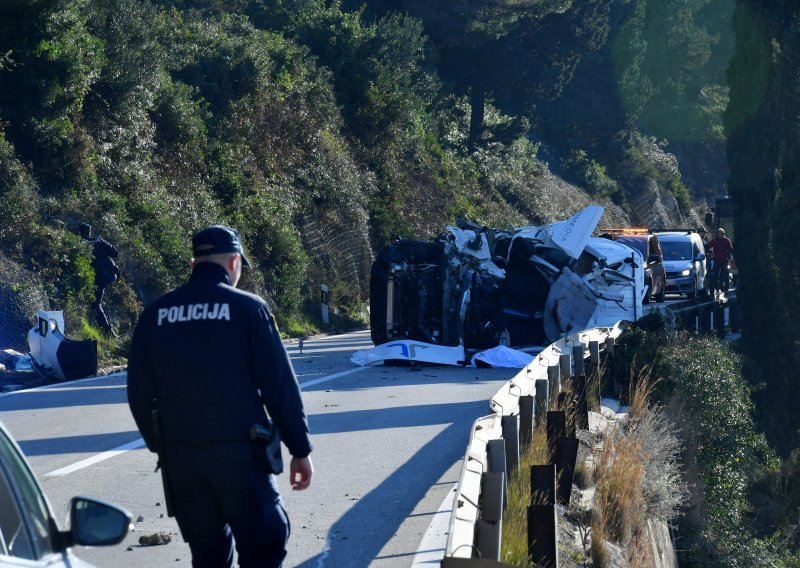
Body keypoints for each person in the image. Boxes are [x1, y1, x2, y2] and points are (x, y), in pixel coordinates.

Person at [126, 225, 313, 568]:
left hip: (181, 461)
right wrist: (299, 449)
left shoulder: (155, 315)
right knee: (264, 547)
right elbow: (279, 386)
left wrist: (163, 446)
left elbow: (138, 392)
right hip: (239, 456)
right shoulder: (248, 309)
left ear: (193, 263)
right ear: (233, 262)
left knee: (208, 556)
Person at [79, 223, 120, 333]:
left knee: (95, 304)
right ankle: (106, 328)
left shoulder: (82, 245)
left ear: (80, 233)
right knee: (98, 298)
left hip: (100, 277)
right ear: (90, 232)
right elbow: (115, 253)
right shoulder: (99, 240)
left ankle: (106, 330)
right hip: (112, 274)